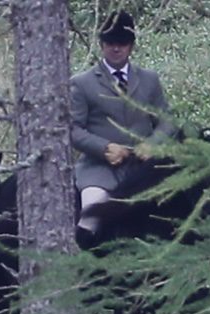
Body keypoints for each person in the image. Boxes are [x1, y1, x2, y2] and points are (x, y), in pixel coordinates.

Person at [70, 10, 176, 248]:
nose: (116, 48)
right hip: (100, 169)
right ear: (101, 44)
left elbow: (166, 120)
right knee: (90, 218)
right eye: (110, 43)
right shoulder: (82, 82)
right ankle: (81, 267)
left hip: (144, 169)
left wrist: (153, 143)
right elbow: (73, 129)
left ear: (131, 46)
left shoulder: (149, 79)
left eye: (122, 43)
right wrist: (104, 148)